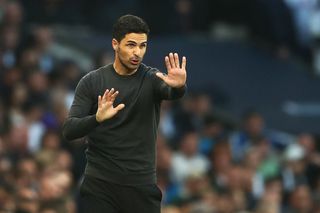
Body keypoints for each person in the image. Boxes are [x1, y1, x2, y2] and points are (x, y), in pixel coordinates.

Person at [62, 14, 187, 213]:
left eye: (143, 46)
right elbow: (69, 130)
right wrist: (96, 119)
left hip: (141, 185)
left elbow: (170, 92)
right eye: (131, 45)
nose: (137, 52)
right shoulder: (92, 81)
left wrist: (180, 87)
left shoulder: (151, 79)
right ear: (115, 44)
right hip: (99, 185)